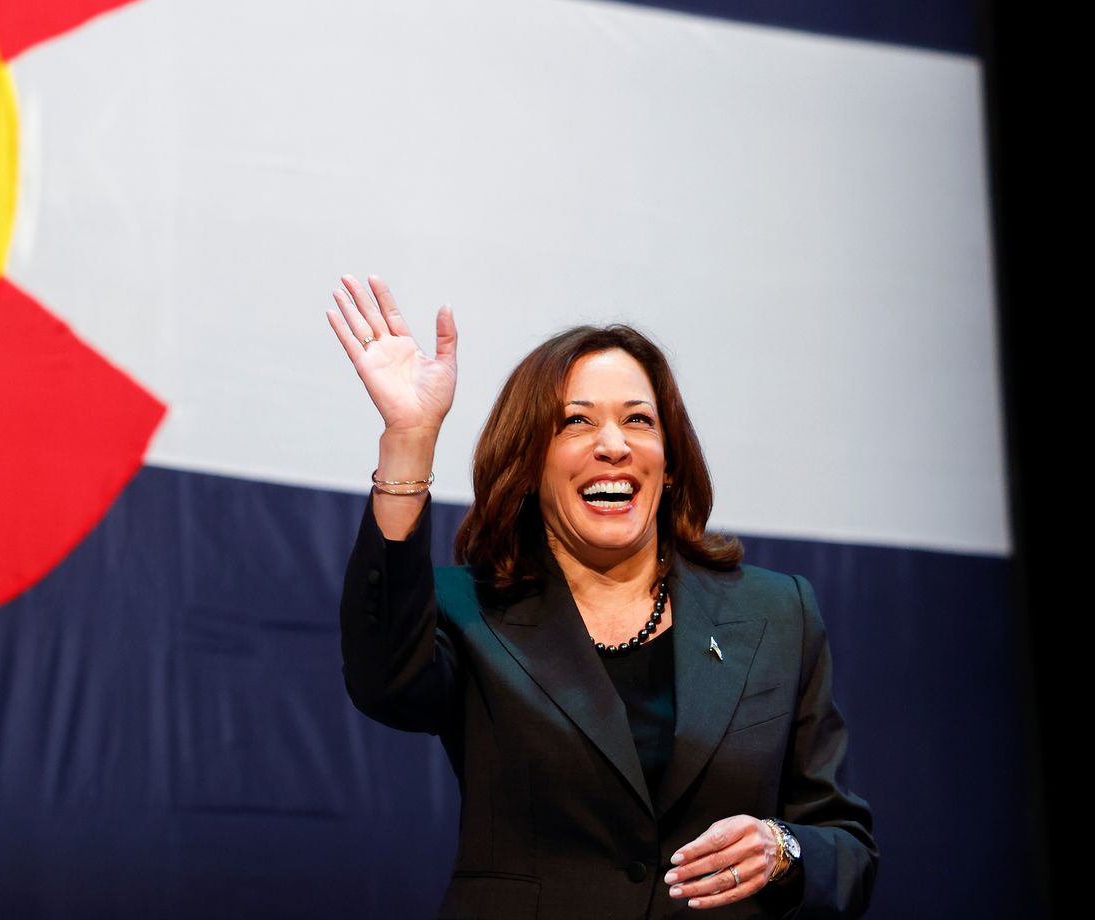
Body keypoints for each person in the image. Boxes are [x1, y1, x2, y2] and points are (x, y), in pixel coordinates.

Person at [327, 274, 876, 919]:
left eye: (638, 421)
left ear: (669, 464)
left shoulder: (778, 612)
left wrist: (783, 849)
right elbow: (383, 681)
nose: (613, 445)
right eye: (576, 423)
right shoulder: (469, 610)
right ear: (529, 465)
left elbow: (848, 849)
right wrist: (408, 440)